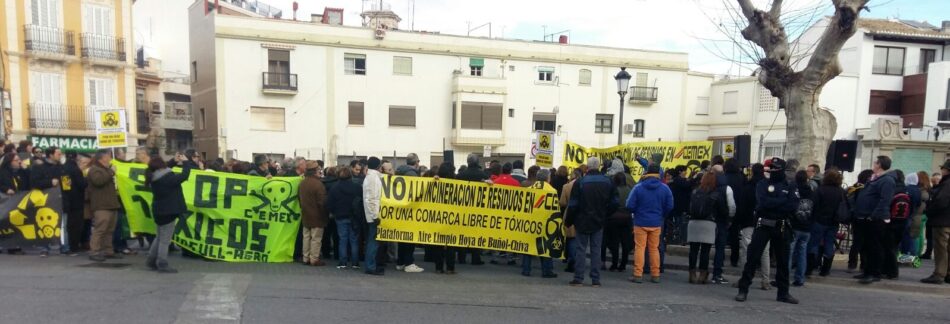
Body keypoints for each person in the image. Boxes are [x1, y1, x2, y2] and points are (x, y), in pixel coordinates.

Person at [735, 157, 799, 305]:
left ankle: (783, 293)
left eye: (775, 169)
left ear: (782, 170)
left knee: (783, 262)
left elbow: (792, 205)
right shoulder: (762, 183)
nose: (772, 171)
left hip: (782, 226)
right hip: (763, 225)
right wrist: (781, 201)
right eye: (771, 169)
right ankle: (743, 289)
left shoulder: (790, 185)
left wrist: (774, 203)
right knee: (752, 258)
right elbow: (762, 203)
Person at [566, 157, 618, 288]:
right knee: (596, 250)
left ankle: (578, 278)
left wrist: (569, 221)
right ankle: (595, 279)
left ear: (587, 167)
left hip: (582, 219)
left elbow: (573, 204)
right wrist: (606, 214)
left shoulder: (581, 182)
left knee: (581, 249)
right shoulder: (608, 181)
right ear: (598, 166)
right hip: (599, 219)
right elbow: (615, 202)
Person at [144, 156, 194, 273]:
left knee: (160, 236)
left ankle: (151, 260)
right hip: (169, 211)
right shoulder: (167, 178)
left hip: (159, 210)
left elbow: (165, 169)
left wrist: (173, 161)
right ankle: (162, 263)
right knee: (165, 240)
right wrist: (186, 162)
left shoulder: (154, 177)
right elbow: (184, 176)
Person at [626, 165, 673, 283]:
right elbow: (670, 205)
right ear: (659, 173)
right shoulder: (665, 188)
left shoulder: (638, 187)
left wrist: (636, 212)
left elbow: (629, 205)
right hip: (656, 222)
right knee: (654, 249)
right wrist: (661, 214)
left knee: (640, 248)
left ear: (646, 172)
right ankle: (655, 274)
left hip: (640, 221)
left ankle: (638, 274)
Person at [853, 156, 896, 284]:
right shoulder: (874, 179)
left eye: (875, 162)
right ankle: (867, 270)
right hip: (865, 217)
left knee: (875, 247)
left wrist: (873, 215)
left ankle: (875, 272)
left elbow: (884, 200)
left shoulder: (887, 180)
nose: (873, 164)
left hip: (875, 219)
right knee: (866, 246)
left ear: (880, 165)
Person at [736, 163, 771, 290]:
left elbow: (742, 205)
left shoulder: (748, 186)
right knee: (765, 252)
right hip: (764, 221)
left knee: (745, 250)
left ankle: (743, 278)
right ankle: (765, 280)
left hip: (748, 221)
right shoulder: (768, 186)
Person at [687, 172, 728, 284]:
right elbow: (723, 210)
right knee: (705, 251)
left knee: (693, 250)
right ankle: (703, 275)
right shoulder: (716, 194)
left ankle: (692, 274)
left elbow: (689, 207)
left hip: (694, 222)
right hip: (708, 224)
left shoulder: (695, 192)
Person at [520, 168, 558, 278]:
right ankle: (547, 271)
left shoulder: (530, 188)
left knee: (528, 246)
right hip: (545, 222)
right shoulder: (552, 191)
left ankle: (526, 269)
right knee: (544, 247)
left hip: (531, 221)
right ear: (548, 178)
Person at [808, 169, 846, 277]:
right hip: (834, 221)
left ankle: (810, 267)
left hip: (819, 220)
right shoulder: (841, 192)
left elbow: (813, 205)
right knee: (829, 244)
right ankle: (825, 270)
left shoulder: (820, 190)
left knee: (814, 243)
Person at [86, 150, 121, 262]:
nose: (110, 158)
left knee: (109, 230)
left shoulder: (105, 169)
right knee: (100, 229)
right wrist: (111, 172)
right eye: (108, 157)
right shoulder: (94, 170)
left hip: (111, 204)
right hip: (101, 206)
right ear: (102, 158)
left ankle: (108, 251)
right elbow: (98, 181)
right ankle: (94, 251)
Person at [30, 146, 64, 257]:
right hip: (45, 201)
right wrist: (50, 182)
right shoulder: (40, 167)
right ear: (51, 155)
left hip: (60, 199)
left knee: (59, 223)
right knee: (44, 223)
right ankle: (44, 247)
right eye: (58, 154)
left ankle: (60, 244)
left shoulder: (62, 167)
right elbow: (34, 183)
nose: (60, 156)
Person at [456, 154, 489, 266]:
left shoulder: (460, 175)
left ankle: (461, 257)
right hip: (477, 209)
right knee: (475, 234)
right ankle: (476, 258)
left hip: (463, 208)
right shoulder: (483, 175)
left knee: (462, 234)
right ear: (477, 162)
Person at [921, 160, 950, 284]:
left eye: (943, 168)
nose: (942, 170)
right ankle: (947, 273)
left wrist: (929, 211)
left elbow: (941, 202)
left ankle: (939, 274)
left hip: (942, 221)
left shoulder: (947, 184)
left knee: (941, 249)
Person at [394, 153, 424, 273]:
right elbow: (417, 191)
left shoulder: (399, 172)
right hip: (410, 209)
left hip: (400, 208)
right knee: (409, 238)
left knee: (402, 237)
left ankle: (401, 262)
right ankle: (409, 263)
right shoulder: (412, 174)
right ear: (416, 162)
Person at [328, 167, 362, 269]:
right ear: (350, 175)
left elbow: (330, 203)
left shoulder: (334, 187)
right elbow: (361, 201)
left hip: (340, 216)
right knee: (354, 240)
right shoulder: (357, 187)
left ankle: (342, 262)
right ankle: (355, 263)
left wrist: (333, 212)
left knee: (342, 239)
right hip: (354, 217)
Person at [490, 162, 521, 266]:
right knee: (510, 236)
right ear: (511, 171)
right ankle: (510, 258)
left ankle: (495, 256)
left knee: (496, 235)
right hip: (510, 214)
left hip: (497, 213)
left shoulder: (495, 182)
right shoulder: (516, 183)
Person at [299, 161, 329, 266]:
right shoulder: (318, 184)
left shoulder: (302, 183)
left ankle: (305, 258)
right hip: (317, 216)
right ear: (315, 170)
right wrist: (325, 215)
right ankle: (314, 259)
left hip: (305, 214)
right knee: (316, 239)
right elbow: (322, 202)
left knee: (306, 237)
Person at [710, 163, 737, 284]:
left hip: (708, 219)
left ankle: (702, 273)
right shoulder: (727, 188)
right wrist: (730, 218)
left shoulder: (708, 184)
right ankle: (717, 274)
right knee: (720, 247)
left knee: (704, 248)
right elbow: (731, 206)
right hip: (721, 220)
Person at [788, 170, 815, 286]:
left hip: (794, 225)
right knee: (802, 253)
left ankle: (785, 277)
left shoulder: (794, 190)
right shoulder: (812, 192)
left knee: (789, 252)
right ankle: (800, 278)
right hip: (807, 226)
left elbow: (790, 206)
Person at [433, 162, 459, 274]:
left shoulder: (435, 182)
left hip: (438, 217)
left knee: (438, 243)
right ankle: (450, 268)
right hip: (453, 217)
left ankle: (438, 267)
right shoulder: (458, 184)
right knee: (451, 244)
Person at [0, 152, 28, 254]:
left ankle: (15, 245)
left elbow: (28, 181)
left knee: (15, 223)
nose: (19, 162)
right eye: (16, 160)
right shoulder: (2, 172)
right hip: (5, 200)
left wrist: (26, 169)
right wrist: (6, 189)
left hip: (17, 200)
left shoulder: (19, 172)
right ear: (10, 162)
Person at [847, 169, 874, 272]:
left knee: (856, 242)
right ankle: (863, 264)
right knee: (864, 242)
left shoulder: (854, 187)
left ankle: (852, 264)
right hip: (863, 217)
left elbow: (849, 199)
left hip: (856, 217)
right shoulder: (866, 188)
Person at [606, 172, 633, 272]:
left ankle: (614, 263)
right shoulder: (630, 190)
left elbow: (610, 203)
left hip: (614, 218)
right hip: (626, 217)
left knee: (614, 242)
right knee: (625, 242)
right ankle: (623, 264)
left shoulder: (613, 189)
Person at [363, 157, 386, 275]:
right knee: (373, 242)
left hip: (372, 214)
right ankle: (370, 266)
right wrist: (374, 215)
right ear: (378, 166)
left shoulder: (372, 177)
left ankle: (371, 265)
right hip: (373, 215)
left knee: (373, 241)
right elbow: (370, 199)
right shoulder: (373, 179)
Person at [62, 153, 88, 254]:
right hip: (77, 200)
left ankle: (70, 245)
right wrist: (86, 178)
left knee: (69, 225)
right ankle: (74, 246)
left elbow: (66, 186)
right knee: (76, 225)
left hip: (68, 200)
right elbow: (82, 184)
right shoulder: (76, 170)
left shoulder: (64, 168)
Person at [899, 172, 927, 264]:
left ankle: (904, 259)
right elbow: (918, 204)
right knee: (912, 238)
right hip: (915, 217)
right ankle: (912, 260)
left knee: (906, 239)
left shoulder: (907, 189)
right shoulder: (919, 191)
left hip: (908, 216)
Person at [559, 169, 583, 273]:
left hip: (569, 212)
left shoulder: (566, 186)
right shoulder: (585, 185)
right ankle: (579, 262)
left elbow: (562, 202)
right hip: (583, 213)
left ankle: (571, 260)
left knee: (570, 239)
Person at [669, 166, 693, 245]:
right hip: (680, 207)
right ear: (680, 172)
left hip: (678, 206)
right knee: (681, 223)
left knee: (680, 223)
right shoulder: (678, 180)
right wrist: (694, 178)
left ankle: (680, 239)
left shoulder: (677, 181)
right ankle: (681, 239)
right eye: (684, 171)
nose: (686, 172)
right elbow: (687, 185)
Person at [922, 172, 943, 260]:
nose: (935, 182)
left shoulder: (936, 191)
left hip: (936, 217)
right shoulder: (933, 190)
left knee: (934, 237)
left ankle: (929, 253)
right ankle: (928, 252)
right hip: (932, 216)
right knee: (929, 235)